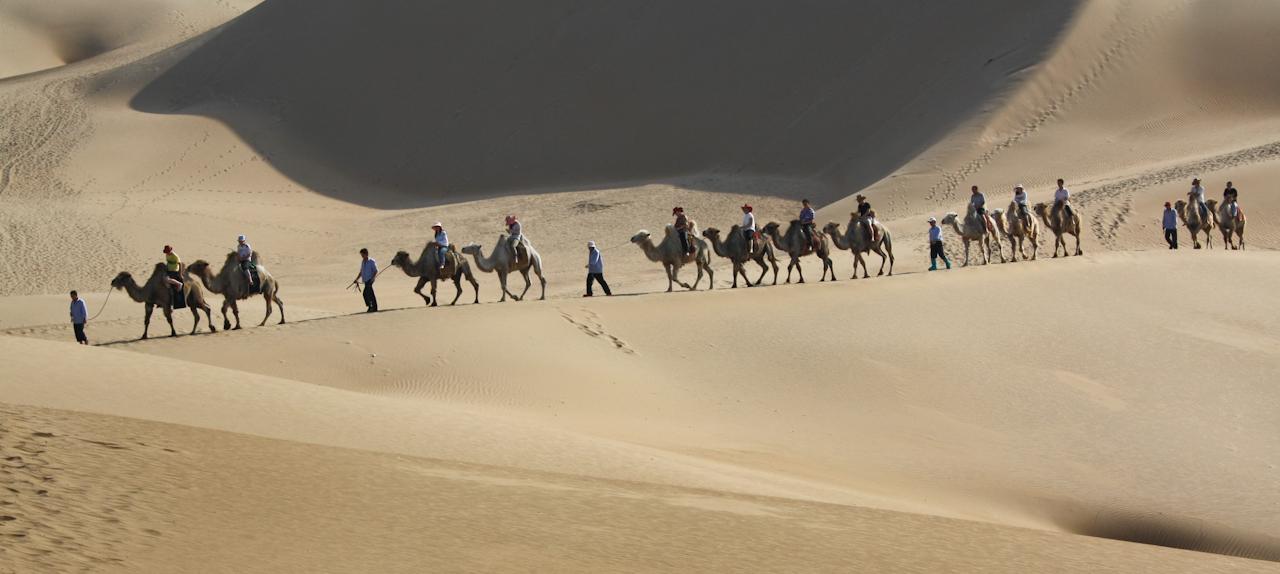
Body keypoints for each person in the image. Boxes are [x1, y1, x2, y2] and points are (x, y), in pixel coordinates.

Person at [354, 248, 378, 312]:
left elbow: (375, 271)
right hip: (365, 280)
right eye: (361, 255)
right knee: (368, 293)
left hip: (370, 280)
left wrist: (373, 278)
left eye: (362, 255)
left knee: (367, 293)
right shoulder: (363, 262)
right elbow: (361, 272)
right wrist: (356, 279)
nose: (362, 257)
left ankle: (372, 307)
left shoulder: (371, 261)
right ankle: (372, 307)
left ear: (366, 254)